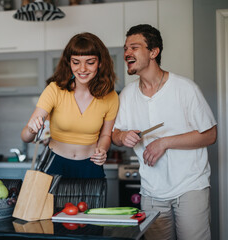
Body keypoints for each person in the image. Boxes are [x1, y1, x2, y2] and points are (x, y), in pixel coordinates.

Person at [112, 24, 217, 239]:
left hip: (190, 188)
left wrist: (164, 142)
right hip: (151, 192)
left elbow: (210, 134)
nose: (127, 54)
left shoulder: (185, 88)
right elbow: (115, 134)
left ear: (153, 52)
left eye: (134, 47)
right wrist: (122, 136)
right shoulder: (127, 95)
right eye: (125, 48)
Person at [21, 32, 119, 178]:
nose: (82, 69)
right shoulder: (55, 90)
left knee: (90, 202)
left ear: (100, 63)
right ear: (69, 62)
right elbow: (26, 136)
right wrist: (31, 129)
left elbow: (105, 135)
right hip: (54, 163)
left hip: (91, 165)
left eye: (90, 62)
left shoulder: (111, 96)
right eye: (76, 62)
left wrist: (103, 150)